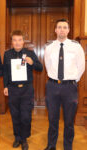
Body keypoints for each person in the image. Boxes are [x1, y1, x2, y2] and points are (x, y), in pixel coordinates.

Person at [44, 19, 85, 150]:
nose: (62, 29)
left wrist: (73, 81)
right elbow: (48, 66)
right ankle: (51, 145)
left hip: (70, 88)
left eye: (64, 27)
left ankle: (68, 146)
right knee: (52, 119)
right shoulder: (49, 47)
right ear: (55, 30)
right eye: (59, 27)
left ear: (68, 30)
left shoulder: (76, 46)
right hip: (52, 86)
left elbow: (81, 67)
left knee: (69, 121)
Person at [3, 30, 43, 150]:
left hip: (26, 90)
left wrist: (32, 62)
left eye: (19, 40)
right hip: (13, 89)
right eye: (14, 40)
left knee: (25, 116)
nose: (17, 42)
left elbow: (40, 68)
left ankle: (24, 138)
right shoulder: (7, 54)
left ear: (23, 41)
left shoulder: (30, 53)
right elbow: (5, 72)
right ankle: (17, 137)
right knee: (15, 115)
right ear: (12, 42)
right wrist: (5, 86)